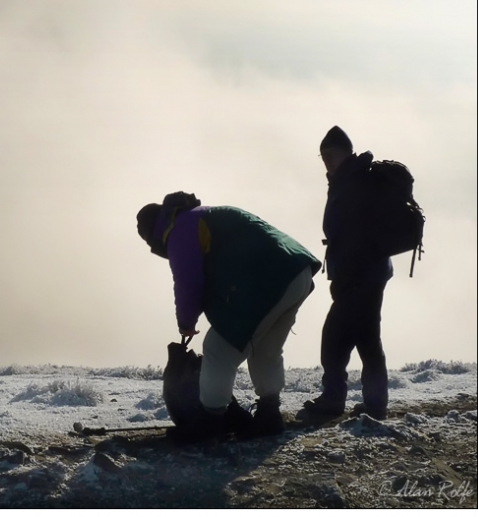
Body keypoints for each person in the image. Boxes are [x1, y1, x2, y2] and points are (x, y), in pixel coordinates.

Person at [137, 192, 322, 441]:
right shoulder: (202, 216)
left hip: (269, 279)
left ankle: (210, 422)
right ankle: (269, 414)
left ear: (153, 234)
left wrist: (186, 323)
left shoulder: (178, 229)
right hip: (296, 272)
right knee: (265, 348)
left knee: (217, 348)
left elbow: (189, 280)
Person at [297, 126, 392, 424]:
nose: (326, 160)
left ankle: (333, 400)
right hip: (368, 273)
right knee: (367, 339)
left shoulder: (354, 180)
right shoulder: (348, 178)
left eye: (330, 154)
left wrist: (346, 273)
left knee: (334, 337)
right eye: (322, 155)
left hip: (360, 275)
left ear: (345, 152)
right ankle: (375, 405)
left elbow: (355, 231)